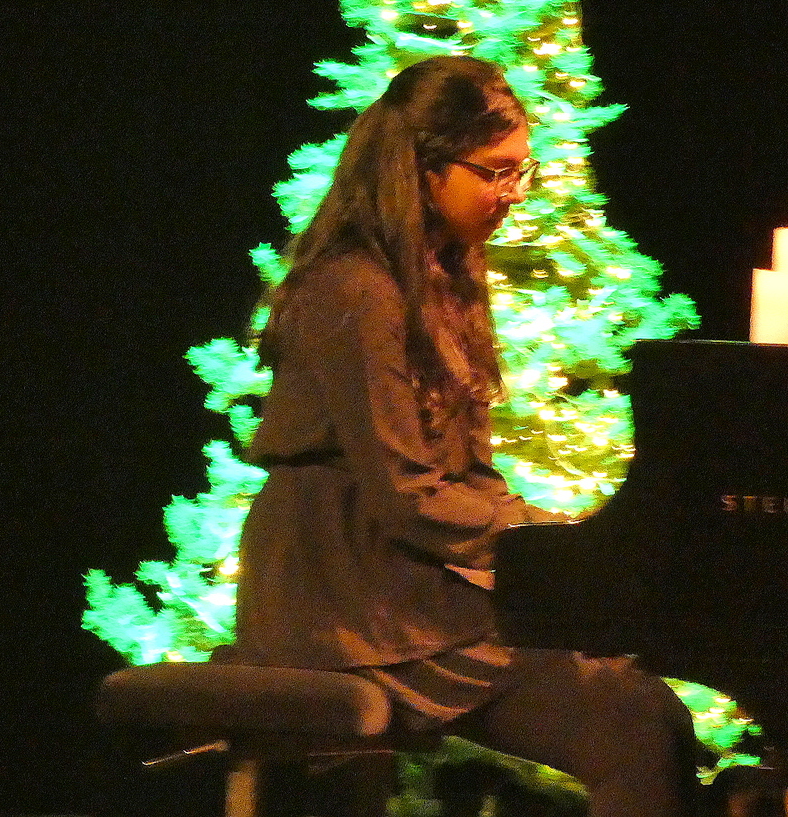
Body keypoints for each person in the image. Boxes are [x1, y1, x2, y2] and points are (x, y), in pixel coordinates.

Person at [230, 55, 710, 817]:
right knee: (630, 722)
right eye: (495, 172)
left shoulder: (448, 275)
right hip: (343, 591)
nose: (514, 193)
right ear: (424, 170)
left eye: (522, 172)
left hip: (400, 578)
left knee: (651, 710)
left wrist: (556, 536)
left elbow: (468, 475)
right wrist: (538, 541)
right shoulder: (355, 287)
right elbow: (407, 495)